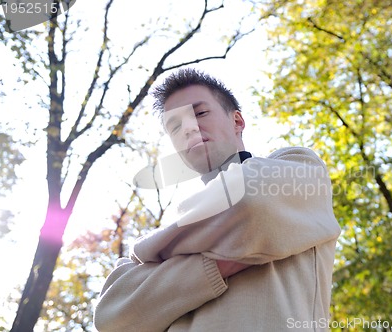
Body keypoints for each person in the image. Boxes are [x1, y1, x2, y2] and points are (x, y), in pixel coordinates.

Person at [93, 68, 341, 331]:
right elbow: (111, 315)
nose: (188, 128)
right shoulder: (182, 221)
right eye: (175, 126)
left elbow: (250, 204)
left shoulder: (297, 165)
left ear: (237, 121)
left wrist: (148, 258)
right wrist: (214, 265)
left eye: (200, 113)